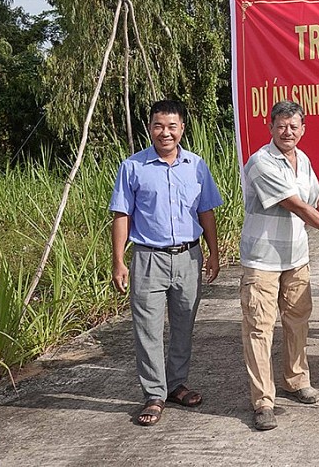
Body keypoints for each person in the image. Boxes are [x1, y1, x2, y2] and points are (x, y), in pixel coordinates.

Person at [239, 100, 319, 431]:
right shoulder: (261, 162)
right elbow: (296, 206)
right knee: (260, 329)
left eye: (294, 126)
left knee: (298, 323)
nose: (287, 132)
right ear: (270, 128)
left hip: (295, 259)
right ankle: (263, 401)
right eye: (281, 126)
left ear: (303, 129)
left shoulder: (303, 161)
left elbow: (315, 201)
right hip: (263, 261)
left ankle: (295, 381)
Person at [110, 99, 223, 426]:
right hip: (148, 258)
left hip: (189, 256)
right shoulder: (133, 167)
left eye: (172, 126)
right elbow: (121, 215)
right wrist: (119, 261)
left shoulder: (197, 166)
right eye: (159, 126)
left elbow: (206, 211)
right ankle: (154, 394)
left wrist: (213, 253)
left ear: (182, 129)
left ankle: (176, 385)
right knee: (147, 329)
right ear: (150, 128)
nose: (165, 133)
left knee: (184, 324)